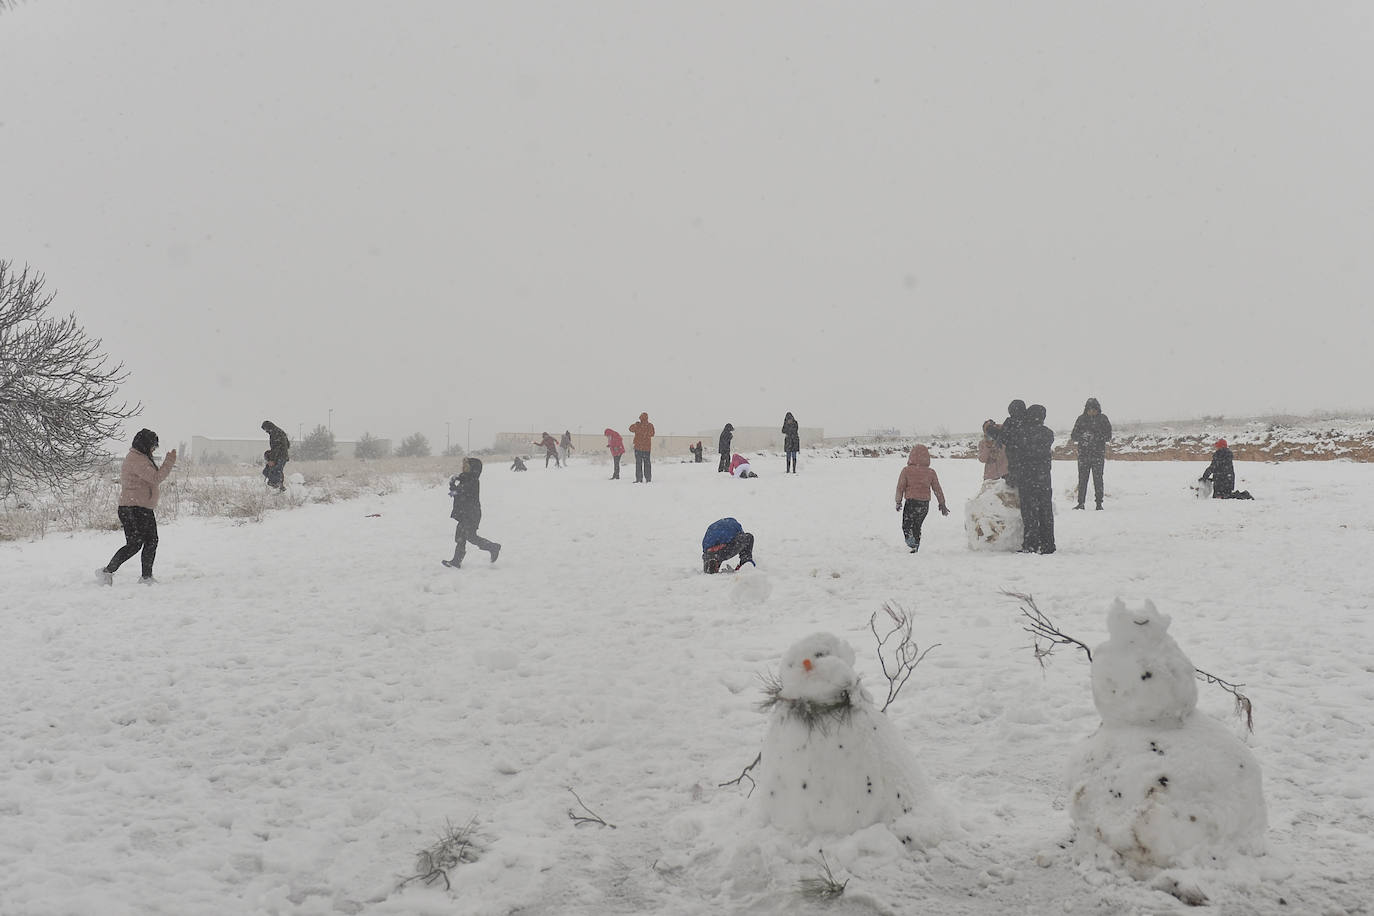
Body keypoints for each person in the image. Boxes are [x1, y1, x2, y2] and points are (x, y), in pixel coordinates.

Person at [96, 428, 177, 585]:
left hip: (140, 507)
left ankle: (146, 577)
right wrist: (169, 462)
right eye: (153, 445)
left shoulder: (141, 458)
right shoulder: (136, 459)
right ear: (144, 444)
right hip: (132, 508)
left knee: (150, 541)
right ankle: (107, 572)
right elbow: (155, 477)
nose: (154, 449)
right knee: (135, 544)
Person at [443, 457, 501, 568]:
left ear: (472, 468)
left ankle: (493, 547)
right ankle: (456, 561)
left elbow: (461, 491)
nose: (463, 467)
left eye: (466, 466)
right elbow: (455, 492)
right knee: (460, 536)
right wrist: (452, 484)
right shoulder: (465, 478)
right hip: (465, 512)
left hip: (471, 513)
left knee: (470, 536)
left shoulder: (473, 480)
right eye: (463, 465)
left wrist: (454, 488)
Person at [893, 444, 950, 553]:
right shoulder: (930, 472)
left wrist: (898, 501)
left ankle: (911, 542)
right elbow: (937, 489)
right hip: (924, 504)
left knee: (907, 525)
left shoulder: (906, 470)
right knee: (917, 526)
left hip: (911, 502)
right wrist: (942, 503)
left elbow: (900, 487)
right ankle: (916, 546)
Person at [1017, 404, 1056, 554]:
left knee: (1029, 512)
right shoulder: (1048, 433)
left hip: (1027, 478)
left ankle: (1031, 543)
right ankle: (1048, 544)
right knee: (1046, 511)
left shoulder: (1022, 433)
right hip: (1044, 478)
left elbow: (1013, 443)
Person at [1070, 397, 1113, 510]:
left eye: (1094, 409)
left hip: (1098, 454)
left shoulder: (1103, 419)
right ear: (1086, 409)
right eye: (1089, 409)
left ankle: (1099, 504)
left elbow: (1108, 436)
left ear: (1098, 409)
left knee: (1098, 479)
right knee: (1082, 479)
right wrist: (1083, 437)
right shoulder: (1081, 419)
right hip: (1083, 455)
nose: (1092, 411)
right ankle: (1081, 503)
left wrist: (1096, 437)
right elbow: (1073, 435)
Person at [988, 400, 1028, 489]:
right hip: (1031, 472)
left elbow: (1004, 436)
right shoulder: (1029, 423)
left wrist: (989, 428)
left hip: (1015, 469)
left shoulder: (1011, 423)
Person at [261, 420, 290, 491]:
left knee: (275, 471)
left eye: (265, 429)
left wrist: (272, 459)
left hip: (279, 456)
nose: (266, 431)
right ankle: (279, 486)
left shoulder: (275, 433)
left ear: (268, 427)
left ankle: (277, 487)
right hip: (282, 456)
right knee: (275, 471)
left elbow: (276, 448)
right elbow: (288, 445)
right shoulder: (280, 432)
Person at [629, 412, 655, 482]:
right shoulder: (650, 425)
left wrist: (636, 424)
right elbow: (652, 434)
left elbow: (630, 429)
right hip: (647, 448)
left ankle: (639, 479)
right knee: (647, 464)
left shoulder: (638, 425)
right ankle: (648, 479)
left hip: (638, 448)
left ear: (640, 418)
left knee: (638, 464)